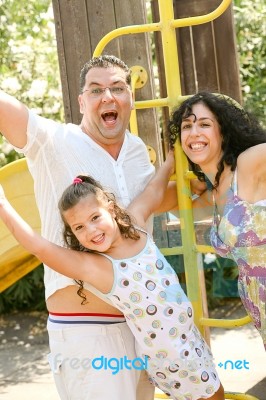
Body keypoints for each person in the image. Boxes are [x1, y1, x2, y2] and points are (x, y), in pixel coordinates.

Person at [0, 54, 205, 400]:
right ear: (82, 102)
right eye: (95, 90)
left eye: (117, 88)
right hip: (87, 332)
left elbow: (149, 202)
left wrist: (206, 182)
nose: (107, 96)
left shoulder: (138, 150)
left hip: (143, 328)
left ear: (130, 99)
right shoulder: (54, 140)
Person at [0, 149, 225, 400]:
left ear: (110, 207)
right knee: (215, 396)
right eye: (79, 227)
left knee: (217, 393)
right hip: (173, 357)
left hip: (189, 339)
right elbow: (38, 246)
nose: (92, 230)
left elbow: (153, 192)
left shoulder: (136, 225)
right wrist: (3, 204)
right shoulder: (99, 267)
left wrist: (171, 161)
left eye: (95, 217)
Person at [167, 91, 266, 349]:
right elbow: (166, 207)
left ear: (225, 130)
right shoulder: (213, 196)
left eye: (204, 124)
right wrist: (169, 165)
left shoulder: (248, 164)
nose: (194, 132)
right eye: (186, 126)